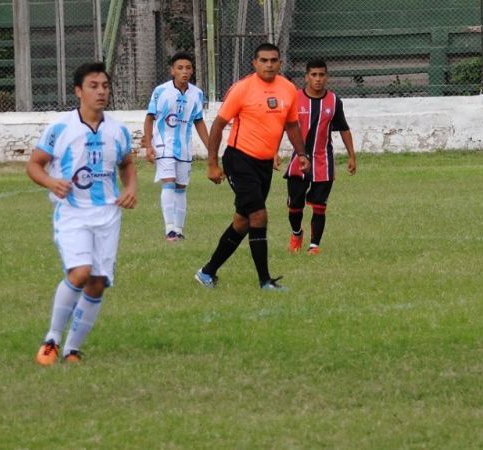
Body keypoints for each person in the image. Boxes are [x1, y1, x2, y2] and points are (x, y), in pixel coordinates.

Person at [28, 62, 137, 365]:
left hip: (108, 215)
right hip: (73, 213)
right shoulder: (60, 128)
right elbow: (34, 164)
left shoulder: (117, 129)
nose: (101, 91)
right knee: (79, 273)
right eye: (93, 86)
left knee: (97, 282)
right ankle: (51, 338)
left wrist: (131, 188)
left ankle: (71, 350)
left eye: (104, 85)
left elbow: (127, 163)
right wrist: (51, 181)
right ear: (78, 91)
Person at [195, 43, 310, 292]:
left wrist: (301, 154)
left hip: (263, 164)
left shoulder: (288, 89)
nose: (269, 65)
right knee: (259, 215)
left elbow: (291, 125)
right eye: (264, 60)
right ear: (254, 63)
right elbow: (218, 126)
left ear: (280, 63)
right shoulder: (242, 89)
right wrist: (212, 164)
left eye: (274, 60)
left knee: (243, 222)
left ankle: (207, 272)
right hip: (239, 160)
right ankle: (265, 281)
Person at [282, 59, 356, 255]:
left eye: (321, 75)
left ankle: (314, 246)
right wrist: (273, 152)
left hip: (324, 162)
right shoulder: (295, 99)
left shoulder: (333, 101)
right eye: (313, 75)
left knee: (319, 206)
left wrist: (352, 156)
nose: (317, 79)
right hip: (299, 161)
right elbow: (282, 126)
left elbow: (344, 129)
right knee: (295, 206)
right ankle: (297, 233)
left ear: (327, 77)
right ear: (306, 77)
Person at [142, 51, 209, 241]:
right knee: (169, 182)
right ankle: (169, 229)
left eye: (188, 68)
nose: (184, 71)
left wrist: (211, 148)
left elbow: (199, 121)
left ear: (192, 71)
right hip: (164, 145)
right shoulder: (160, 91)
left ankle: (179, 230)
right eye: (180, 68)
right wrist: (149, 145)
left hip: (185, 148)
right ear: (172, 71)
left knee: (181, 187)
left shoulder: (197, 94)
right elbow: (149, 119)